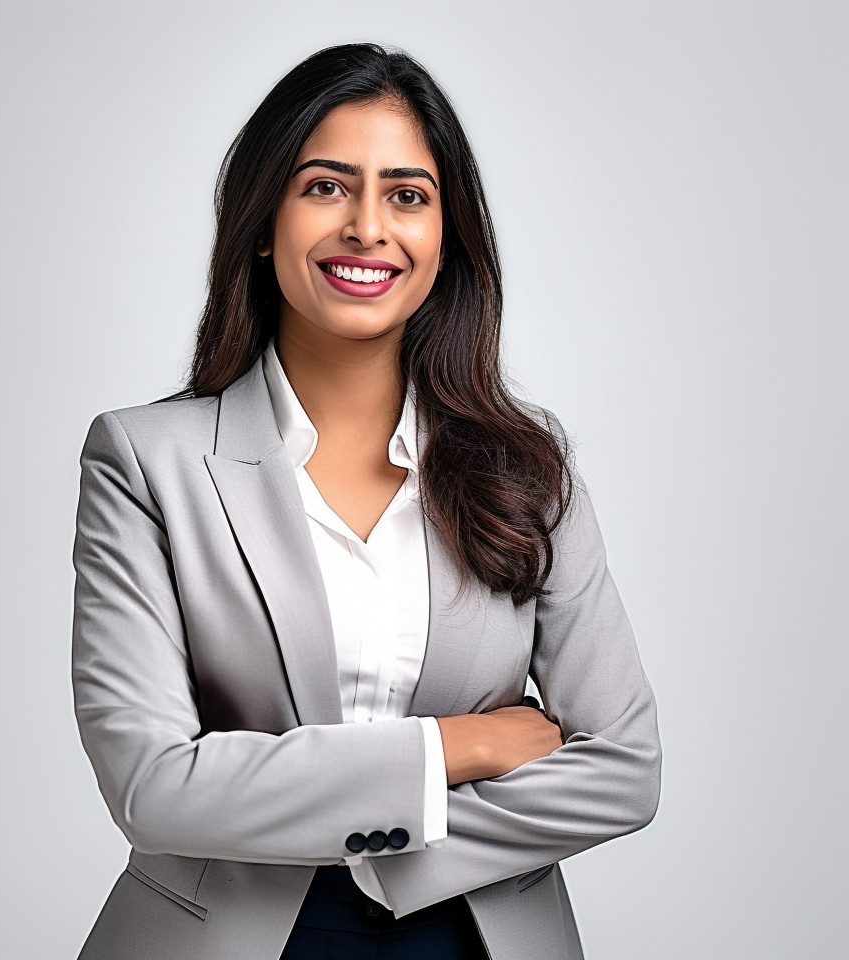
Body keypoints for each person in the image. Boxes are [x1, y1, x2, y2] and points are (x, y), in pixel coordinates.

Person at [71, 42, 662, 960]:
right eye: (325, 187)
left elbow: (623, 771)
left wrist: (376, 853)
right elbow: (154, 784)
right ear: (263, 222)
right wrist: (456, 749)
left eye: (407, 195)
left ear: (445, 240)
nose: (366, 227)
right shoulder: (146, 461)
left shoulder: (529, 470)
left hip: (475, 936)